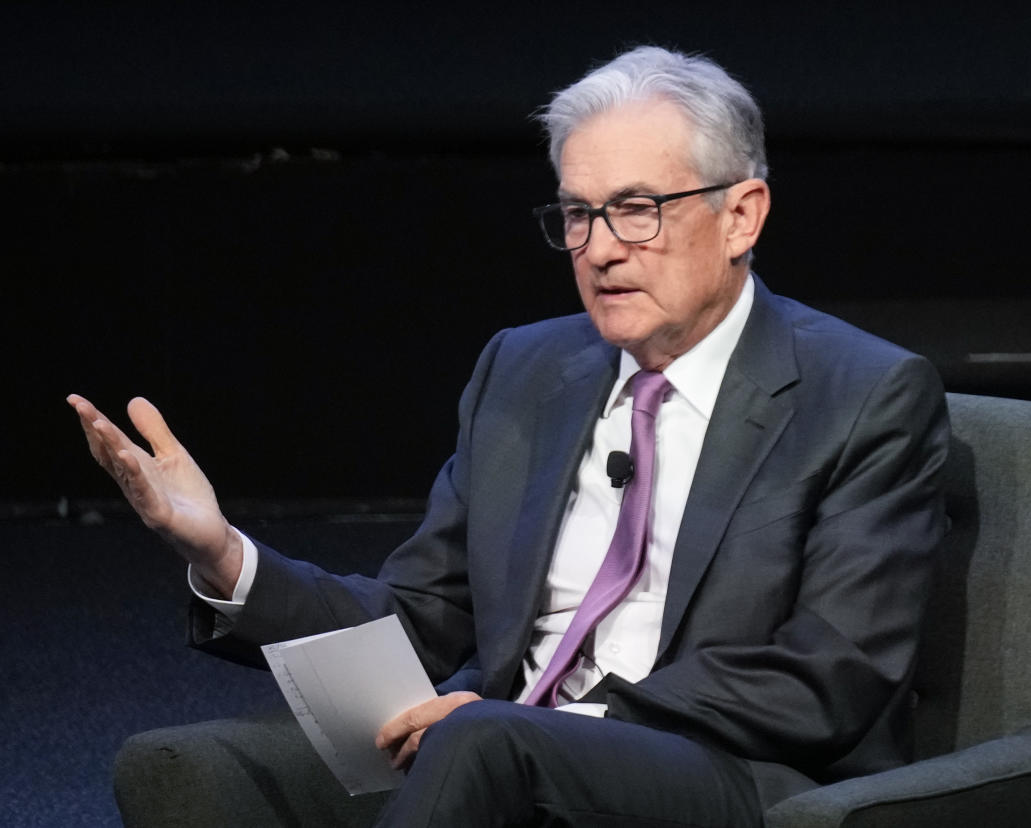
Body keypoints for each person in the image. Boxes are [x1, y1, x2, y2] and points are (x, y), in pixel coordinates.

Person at [69, 46, 949, 827]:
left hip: (731, 774)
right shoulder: (525, 370)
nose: (601, 249)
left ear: (741, 216)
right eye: (577, 214)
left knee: (486, 740)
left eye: (637, 208)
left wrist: (550, 725)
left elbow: (829, 674)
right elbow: (419, 618)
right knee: (189, 766)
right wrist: (223, 553)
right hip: (497, 748)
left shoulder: (862, 393)